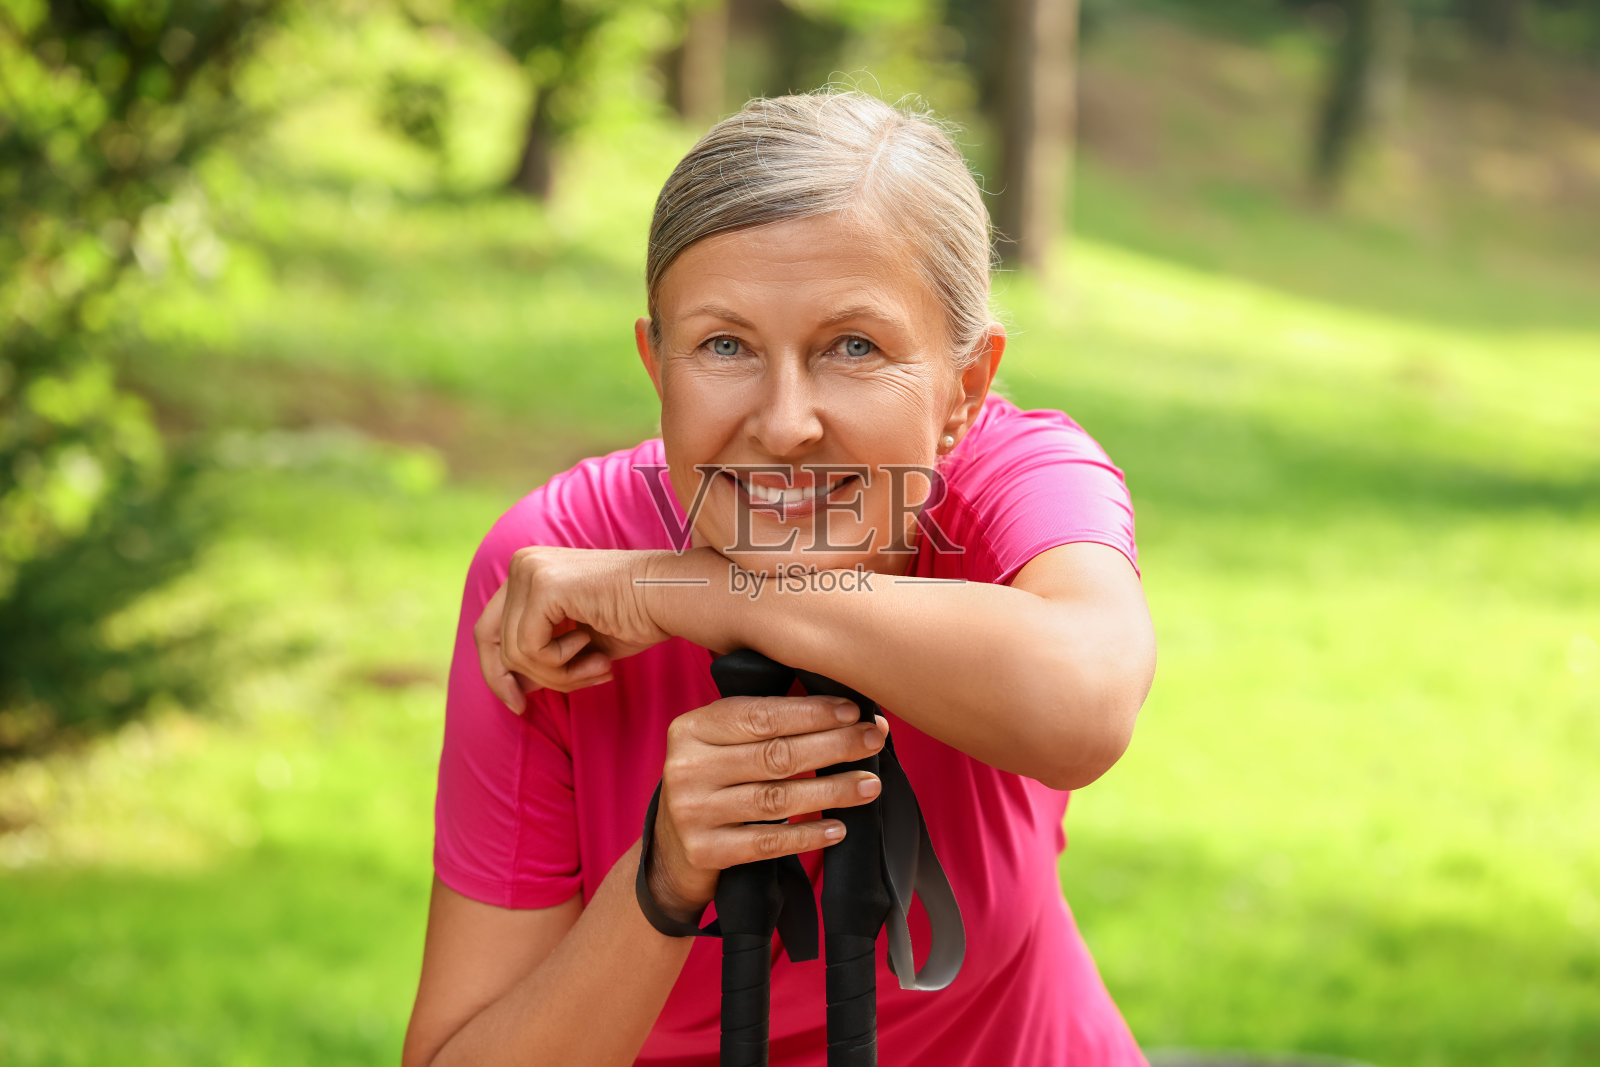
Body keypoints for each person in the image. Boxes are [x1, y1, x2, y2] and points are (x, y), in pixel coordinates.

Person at [402, 91, 1157, 1067]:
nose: (786, 423)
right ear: (657, 364)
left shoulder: (1014, 480)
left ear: (965, 388)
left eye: (854, 346)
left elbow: (1083, 699)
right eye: (725, 345)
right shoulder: (560, 557)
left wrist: (708, 591)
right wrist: (663, 876)